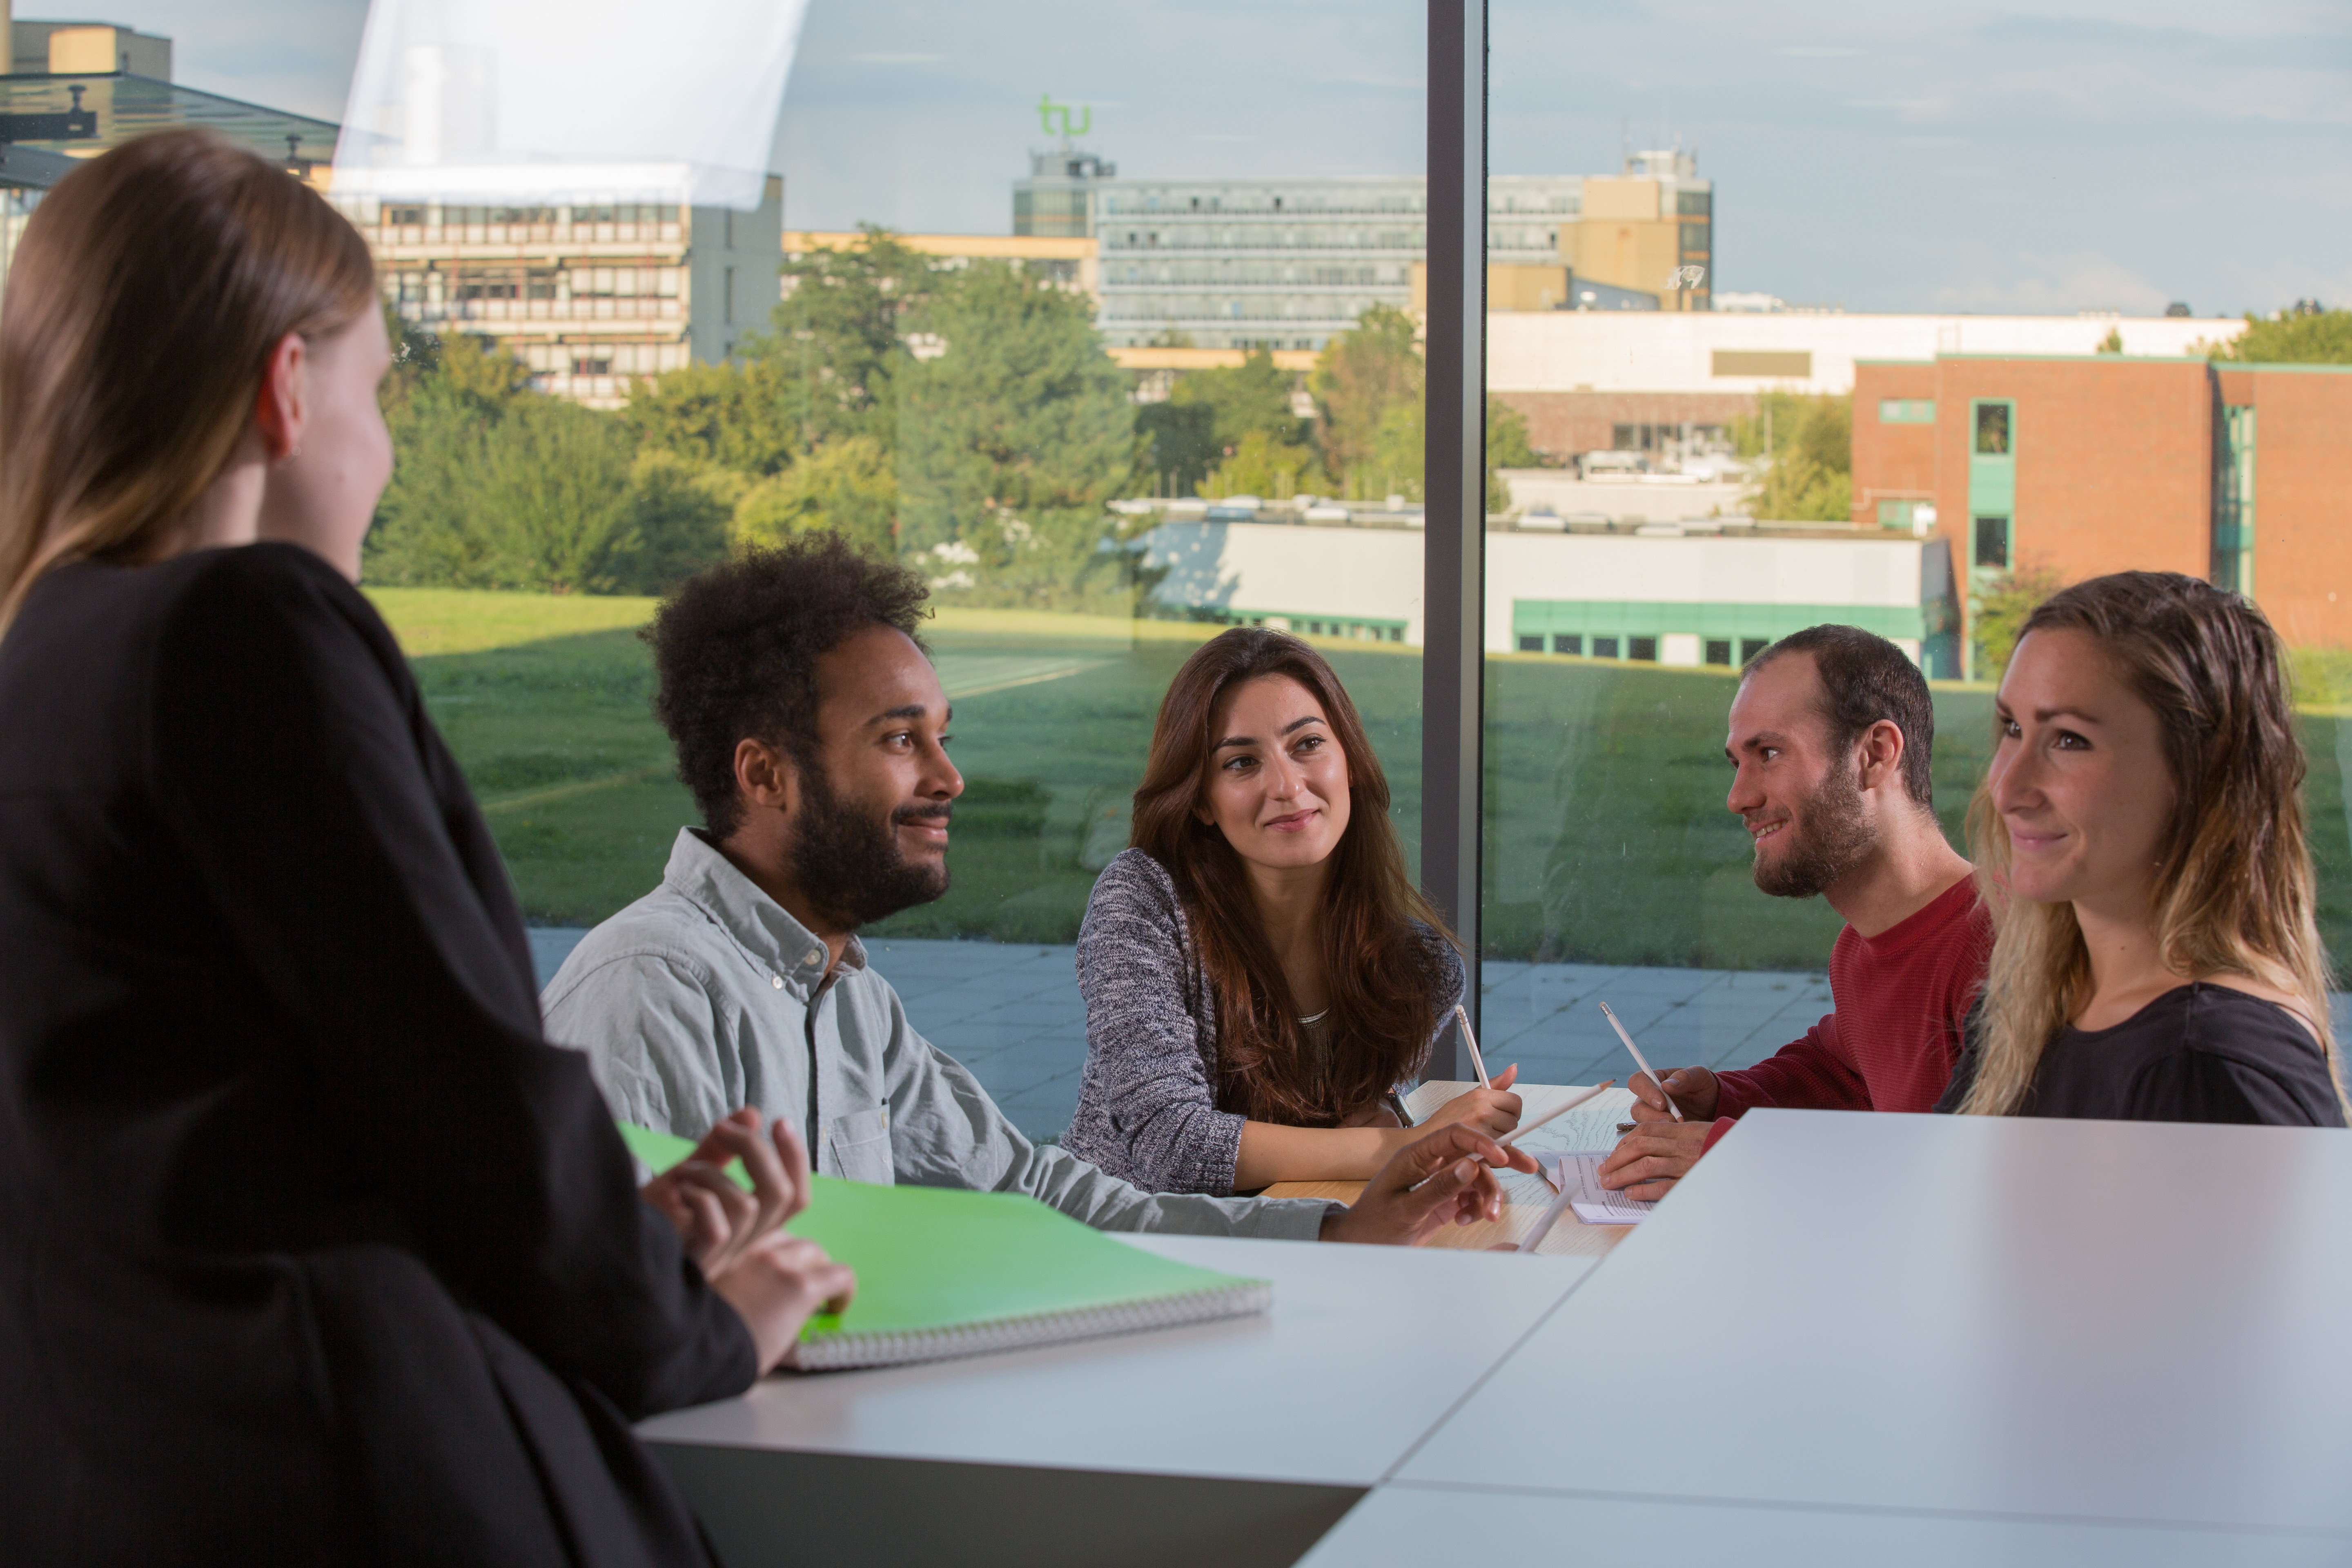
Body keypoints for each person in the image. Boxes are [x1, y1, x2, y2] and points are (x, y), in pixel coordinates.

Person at [0, 131, 852, 1566]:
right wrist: (693, 1321)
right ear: (284, 389)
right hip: (336, 1458)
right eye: (378, 393)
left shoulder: (38, 662)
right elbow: (454, 1073)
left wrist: (623, 1238)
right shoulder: (247, 625)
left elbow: (231, 1128)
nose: (386, 455)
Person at [542, 539, 1534, 1246]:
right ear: (764, 776)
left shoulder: (853, 1004)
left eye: (943, 737)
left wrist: (1336, 1234)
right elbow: (596, 1314)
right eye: (900, 740)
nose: (949, 778)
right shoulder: (653, 985)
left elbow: (1040, 1190)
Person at [1063, 628, 1523, 1194]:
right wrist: (1412, 1144)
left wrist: (1386, 1128)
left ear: (1349, 759)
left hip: (1298, 1244)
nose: (1287, 786)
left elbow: (1343, 1145)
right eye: (1241, 763)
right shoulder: (1142, 903)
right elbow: (1172, 1146)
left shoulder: (1416, 971)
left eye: (1307, 745)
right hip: (1129, 1253)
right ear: (1201, 800)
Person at [1938, 572, 2348, 1125]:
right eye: (2012, 727)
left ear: (2199, 770)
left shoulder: (2215, 1065)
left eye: (2069, 740)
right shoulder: (2024, 1011)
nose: (2007, 789)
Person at [1599, 624, 1992, 1200]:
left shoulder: (1996, 947)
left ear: (1875, 755)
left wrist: (1735, 1155)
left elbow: (1972, 1181)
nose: (1738, 797)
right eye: (1738, 761)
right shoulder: (1861, 949)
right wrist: (1719, 1098)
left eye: (1770, 754)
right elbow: (1843, 1077)